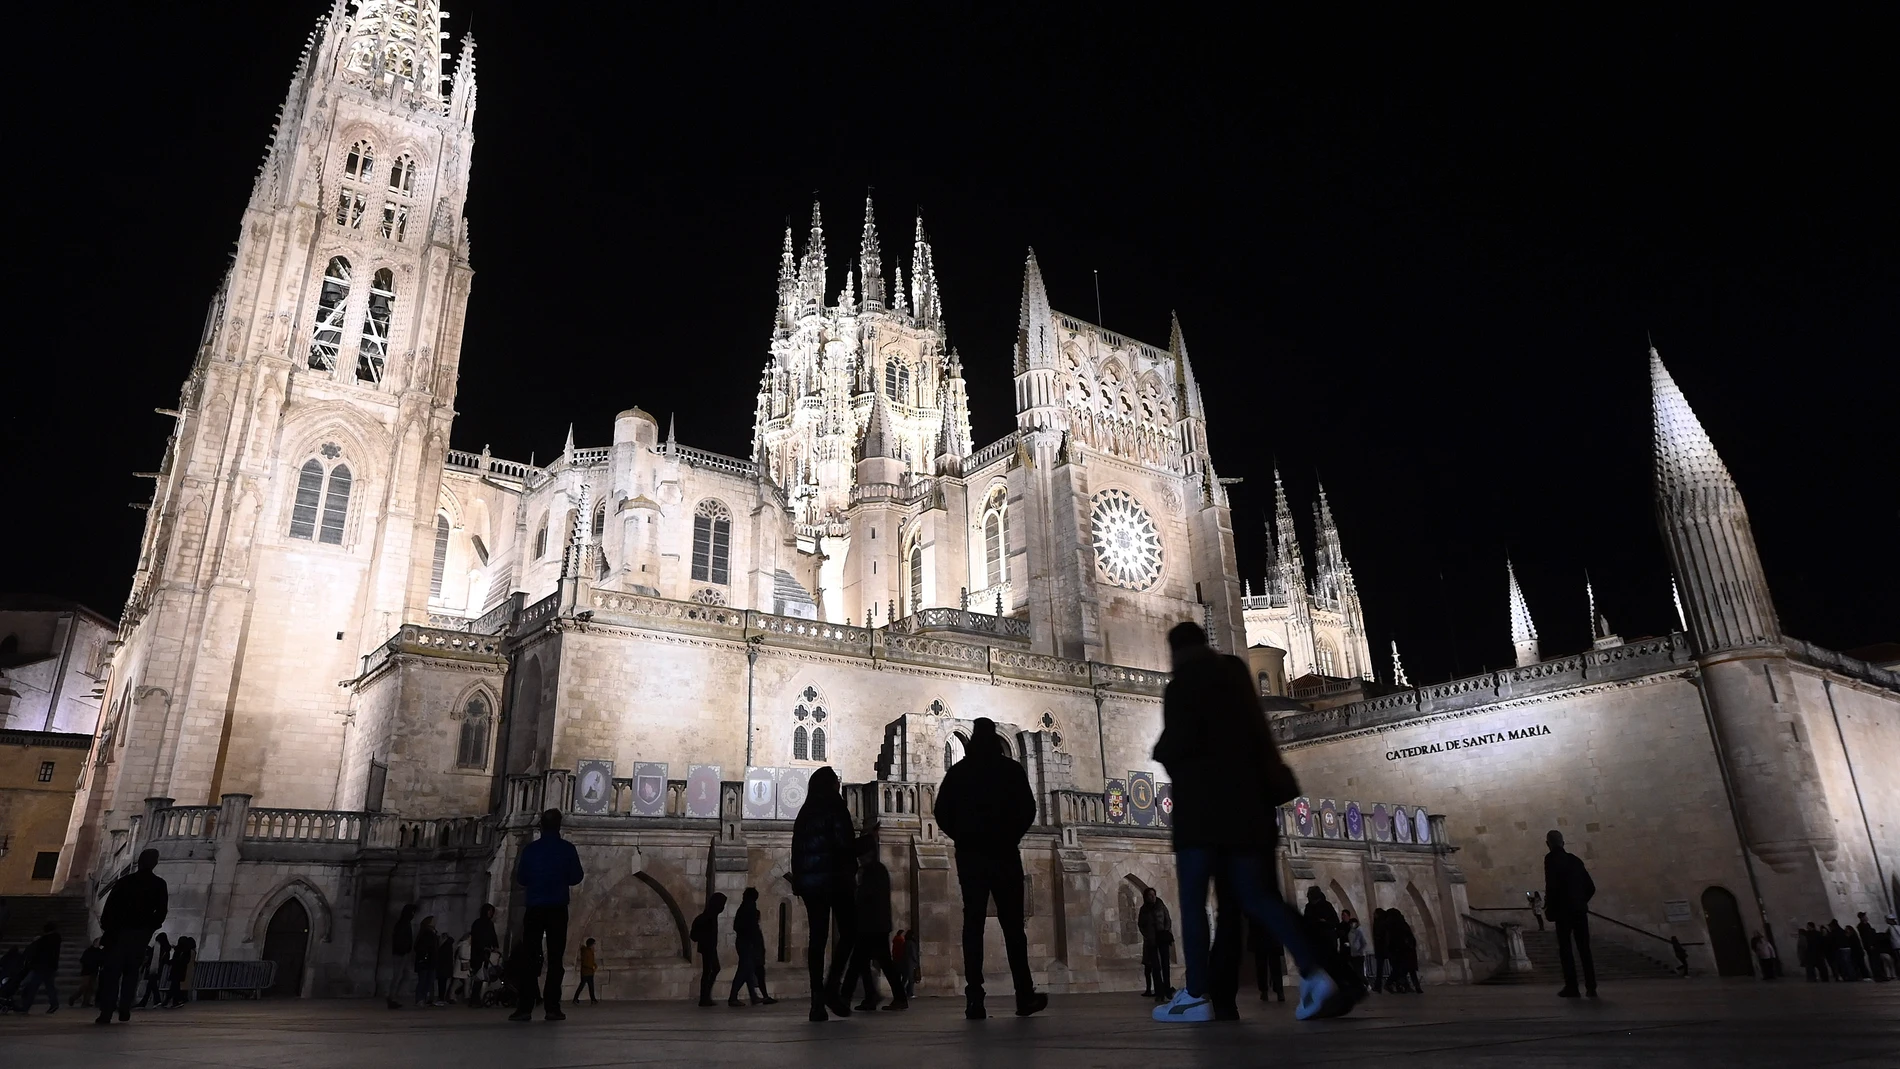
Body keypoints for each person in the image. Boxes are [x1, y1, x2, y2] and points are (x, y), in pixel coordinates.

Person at [1151, 622, 1356, 1023]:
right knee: (1261, 897)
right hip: (1250, 810)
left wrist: (1164, 750)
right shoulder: (1237, 677)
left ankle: (1196, 996)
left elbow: (1178, 746)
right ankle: (1317, 976)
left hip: (1201, 815)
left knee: (1192, 904)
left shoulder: (1182, 687)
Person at [933, 717, 1047, 1020]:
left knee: (973, 925)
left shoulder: (959, 773)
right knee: (1013, 928)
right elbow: (1028, 808)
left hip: (971, 857)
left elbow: (941, 812)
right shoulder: (1010, 770)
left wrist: (963, 836)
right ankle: (1024, 995)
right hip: (1004, 854)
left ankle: (975, 998)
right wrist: (1011, 835)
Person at [791, 765, 864, 1022]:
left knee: (817, 939)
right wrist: (867, 840)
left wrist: (799, 880)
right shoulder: (835, 807)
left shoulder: (805, 811)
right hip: (835, 879)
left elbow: (797, 850)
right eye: (837, 781)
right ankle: (833, 987)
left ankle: (816, 1000)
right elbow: (844, 846)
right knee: (850, 932)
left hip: (811, 884)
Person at [511, 807, 585, 1022]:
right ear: (559, 826)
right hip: (557, 907)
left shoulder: (531, 850)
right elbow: (576, 877)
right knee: (555, 959)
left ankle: (524, 1007)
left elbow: (522, 878)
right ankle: (552, 1007)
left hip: (535, 907)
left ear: (541, 826)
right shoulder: (567, 849)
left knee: (529, 957)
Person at [95, 847, 168, 1025]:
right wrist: (151, 927)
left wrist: (107, 927)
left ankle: (107, 1010)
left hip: (119, 933)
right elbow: (162, 910)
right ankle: (125, 1008)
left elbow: (110, 906)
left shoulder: (125, 881)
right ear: (154, 863)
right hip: (138, 934)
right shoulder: (158, 884)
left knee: (113, 973)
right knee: (131, 972)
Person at [843, 858, 908, 1012]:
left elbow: (866, 896)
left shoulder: (873, 870)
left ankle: (846, 997)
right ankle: (874, 996)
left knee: (858, 962)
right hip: (875, 925)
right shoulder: (877, 870)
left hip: (871, 925)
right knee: (869, 962)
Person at [1544, 830, 1597, 998]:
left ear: (1548, 844)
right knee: (1584, 948)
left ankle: (1572, 986)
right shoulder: (1575, 861)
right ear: (1563, 842)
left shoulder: (1551, 859)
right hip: (1579, 910)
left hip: (1563, 911)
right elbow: (1591, 887)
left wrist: (1550, 908)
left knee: (1566, 949)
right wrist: (1580, 901)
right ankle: (1591, 986)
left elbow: (1551, 885)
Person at [729, 889, 774, 1006]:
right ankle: (733, 997)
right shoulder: (749, 909)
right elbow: (750, 928)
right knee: (744, 970)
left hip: (745, 942)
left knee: (748, 971)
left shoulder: (745, 908)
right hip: (747, 943)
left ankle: (754, 996)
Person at [15, 922, 62, 1014]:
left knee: (33, 987)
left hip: (41, 966)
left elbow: (36, 951)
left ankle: (26, 1006)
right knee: (49, 986)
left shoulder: (43, 940)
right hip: (51, 967)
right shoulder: (56, 939)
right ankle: (54, 1003)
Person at [1138, 887, 1175, 1000]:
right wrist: (1148, 936)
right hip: (1152, 941)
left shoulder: (1161, 906)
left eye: (1153, 894)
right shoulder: (1144, 909)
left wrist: (1165, 930)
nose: (1152, 897)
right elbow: (1141, 924)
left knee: (1165, 965)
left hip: (1162, 938)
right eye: (1150, 895)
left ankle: (1167, 989)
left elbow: (1167, 919)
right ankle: (1159, 992)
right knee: (1155, 967)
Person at [692, 895, 727, 1007]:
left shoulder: (711, 916)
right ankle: (704, 997)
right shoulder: (707, 918)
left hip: (710, 947)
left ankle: (706, 996)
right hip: (708, 948)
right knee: (709, 971)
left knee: (712, 970)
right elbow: (694, 935)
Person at [386, 904, 417, 1008]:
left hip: (403, 953)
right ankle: (392, 997)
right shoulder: (403, 924)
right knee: (398, 976)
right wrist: (404, 950)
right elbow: (400, 939)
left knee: (404, 975)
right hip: (400, 953)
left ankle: (394, 996)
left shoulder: (405, 923)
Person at [468, 904, 499, 1007]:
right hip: (478, 953)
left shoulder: (489, 924)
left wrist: (494, 947)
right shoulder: (478, 923)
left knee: (482, 976)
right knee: (478, 976)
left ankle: (476, 998)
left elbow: (493, 936)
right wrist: (483, 947)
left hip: (486, 953)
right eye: (489, 911)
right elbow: (476, 938)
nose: (491, 913)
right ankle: (474, 999)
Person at [1248, 917, 1284, 1002]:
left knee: (1263, 965)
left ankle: (1266, 991)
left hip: (1261, 935)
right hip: (1269, 934)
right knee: (1274, 966)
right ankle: (1278, 991)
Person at [413, 916, 441, 1006]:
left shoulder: (432, 933)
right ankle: (420, 999)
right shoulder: (426, 933)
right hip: (425, 961)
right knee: (423, 981)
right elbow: (422, 948)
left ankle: (423, 998)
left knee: (428, 981)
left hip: (431, 961)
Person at [137, 933, 168, 1008]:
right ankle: (154, 1001)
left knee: (151, 985)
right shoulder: (166, 949)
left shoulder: (158, 948)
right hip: (158, 969)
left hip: (154, 969)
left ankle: (148, 1002)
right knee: (151, 986)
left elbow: (152, 957)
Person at [69, 937, 103, 1007]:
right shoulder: (89, 950)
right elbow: (83, 960)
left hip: (94, 971)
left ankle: (86, 1002)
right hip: (87, 971)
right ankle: (73, 998)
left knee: (91, 987)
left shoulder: (100, 951)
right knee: (84, 986)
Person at [164, 936, 194, 1007]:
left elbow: (176, 960)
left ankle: (170, 1001)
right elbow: (185, 961)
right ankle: (173, 1001)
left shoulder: (178, 950)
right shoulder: (186, 951)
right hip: (179, 970)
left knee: (174, 986)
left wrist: (170, 962)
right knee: (175, 986)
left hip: (175, 970)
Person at [572, 938, 599, 1004]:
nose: (594, 946)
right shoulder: (586, 951)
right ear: (591, 944)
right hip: (586, 972)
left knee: (591, 986)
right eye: (594, 944)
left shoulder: (590, 951)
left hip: (589, 972)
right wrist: (592, 966)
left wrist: (594, 965)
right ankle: (575, 999)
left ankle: (593, 999)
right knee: (582, 986)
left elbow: (591, 961)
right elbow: (585, 962)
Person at [1347, 913, 1370, 989]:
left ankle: (1367, 984)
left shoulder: (1359, 932)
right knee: (1356, 972)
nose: (1352, 925)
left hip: (1359, 955)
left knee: (1359, 972)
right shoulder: (1350, 932)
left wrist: (1360, 951)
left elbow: (1364, 943)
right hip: (1353, 954)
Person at [889, 930, 908, 1001]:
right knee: (905, 975)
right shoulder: (900, 940)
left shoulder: (896, 939)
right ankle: (901, 990)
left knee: (898, 975)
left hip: (896, 959)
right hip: (900, 959)